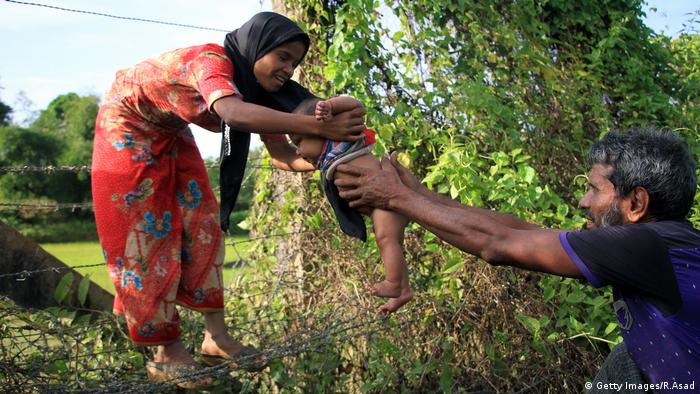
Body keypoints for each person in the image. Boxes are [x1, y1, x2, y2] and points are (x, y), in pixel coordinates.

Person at [91, 12, 365, 388]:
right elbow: (232, 113)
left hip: (170, 130)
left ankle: (215, 337)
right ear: (258, 45)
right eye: (283, 56)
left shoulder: (255, 94)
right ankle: (165, 353)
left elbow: (283, 156)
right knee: (144, 235)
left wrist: (328, 159)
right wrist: (319, 127)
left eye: (295, 63)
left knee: (203, 223)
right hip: (127, 125)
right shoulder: (212, 61)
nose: (289, 68)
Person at [334, 127, 699, 391]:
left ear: (635, 204)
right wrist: (419, 195)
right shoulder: (663, 242)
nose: (583, 202)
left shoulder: (645, 246)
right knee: (625, 360)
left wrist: (395, 198)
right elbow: (519, 231)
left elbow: (497, 243)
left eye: (594, 189)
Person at [290, 97, 412, 313]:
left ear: (318, 130)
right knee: (391, 244)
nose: (298, 151)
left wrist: (331, 107)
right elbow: (287, 161)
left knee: (386, 240)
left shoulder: (341, 139)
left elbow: (357, 106)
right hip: (379, 206)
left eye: (299, 142)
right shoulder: (325, 158)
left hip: (387, 197)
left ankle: (394, 284)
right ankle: (403, 291)